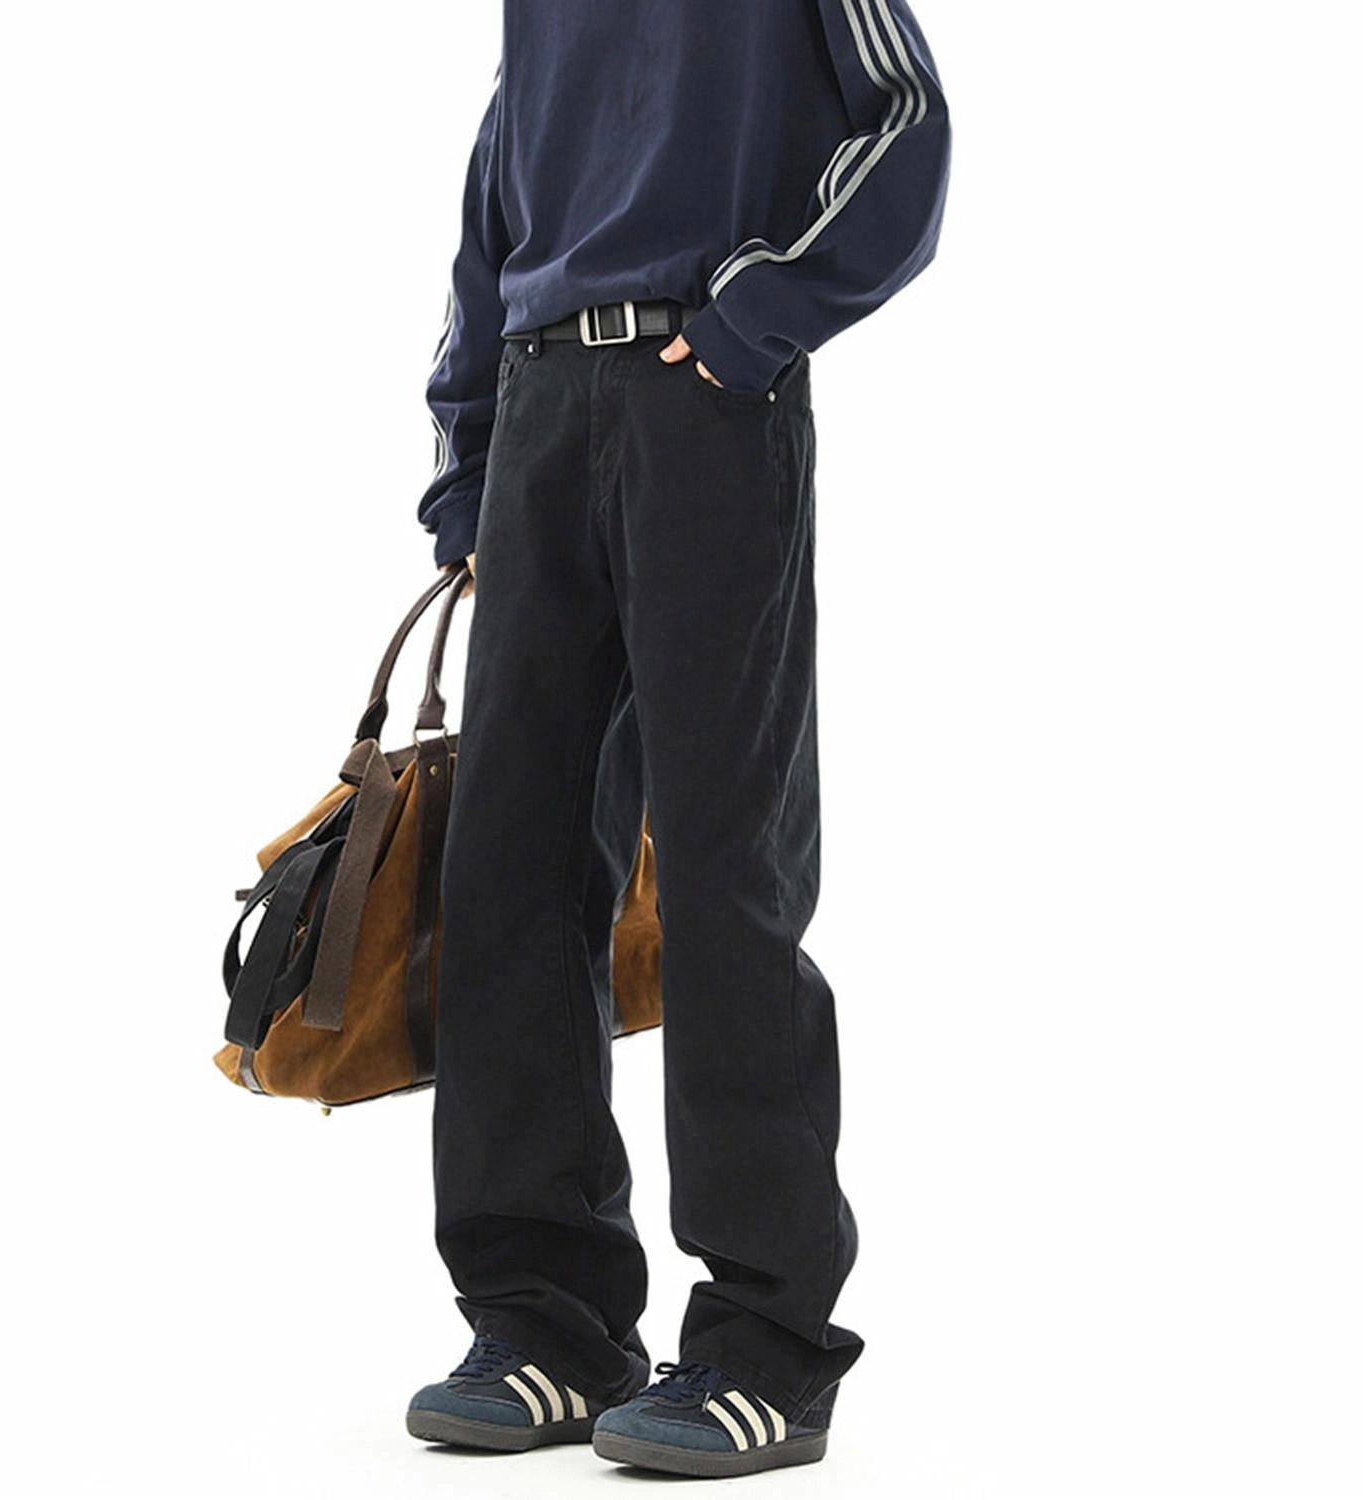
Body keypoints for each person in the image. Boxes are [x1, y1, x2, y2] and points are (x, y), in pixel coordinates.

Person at [405, 0, 950, 1479]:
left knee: (727, 876)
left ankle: (767, 1347)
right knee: (507, 879)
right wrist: (470, 459)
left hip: (702, 407)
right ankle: (549, 1322)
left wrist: (749, 326)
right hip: (539, 412)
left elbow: (908, 127)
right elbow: (500, 179)